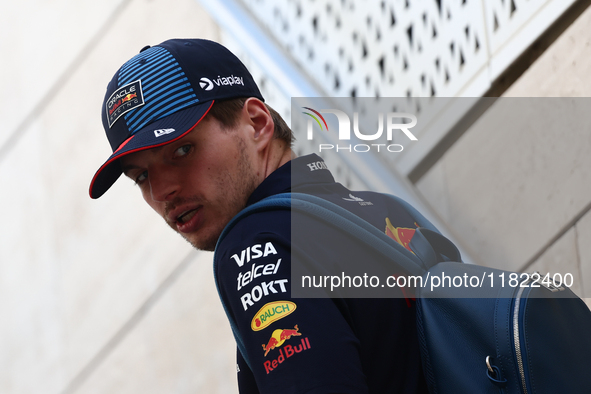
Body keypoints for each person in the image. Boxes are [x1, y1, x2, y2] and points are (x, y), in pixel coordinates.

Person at [89, 39, 429, 393]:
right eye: (141, 176)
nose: (161, 192)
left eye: (182, 150)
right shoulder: (388, 212)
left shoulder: (256, 241)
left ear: (257, 123)